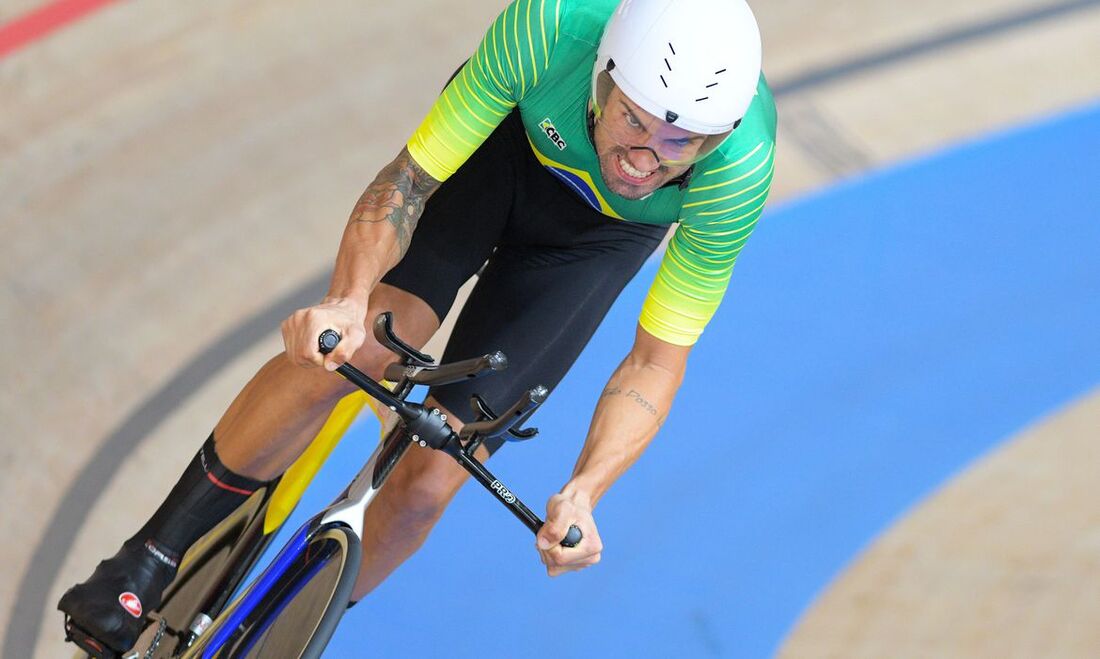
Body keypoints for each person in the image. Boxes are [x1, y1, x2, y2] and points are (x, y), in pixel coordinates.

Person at [59, 0, 777, 652]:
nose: (641, 161)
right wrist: (346, 299)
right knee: (362, 343)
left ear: (718, 136)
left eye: (679, 144)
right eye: (633, 121)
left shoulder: (738, 169)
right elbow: (409, 181)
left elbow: (655, 360)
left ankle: (279, 632)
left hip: (594, 246)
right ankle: (149, 557)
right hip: (506, 153)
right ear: (601, 79)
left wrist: (587, 488)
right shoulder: (551, 28)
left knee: (432, 479)